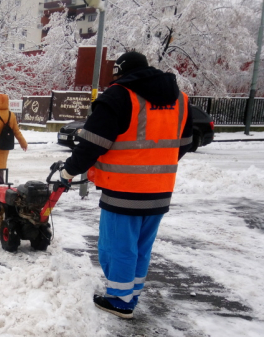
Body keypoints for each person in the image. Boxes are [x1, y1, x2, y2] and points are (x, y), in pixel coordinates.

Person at [59, 51, 193, 319]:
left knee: (117, 247)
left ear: (120, 73)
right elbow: (185, 143)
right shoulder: (180, 99)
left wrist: (68, 171)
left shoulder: (119, 96)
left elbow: (91, 145)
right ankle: (131, 293)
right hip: (160, 190)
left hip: (124, 191)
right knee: (142, 246)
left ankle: (120, 300)